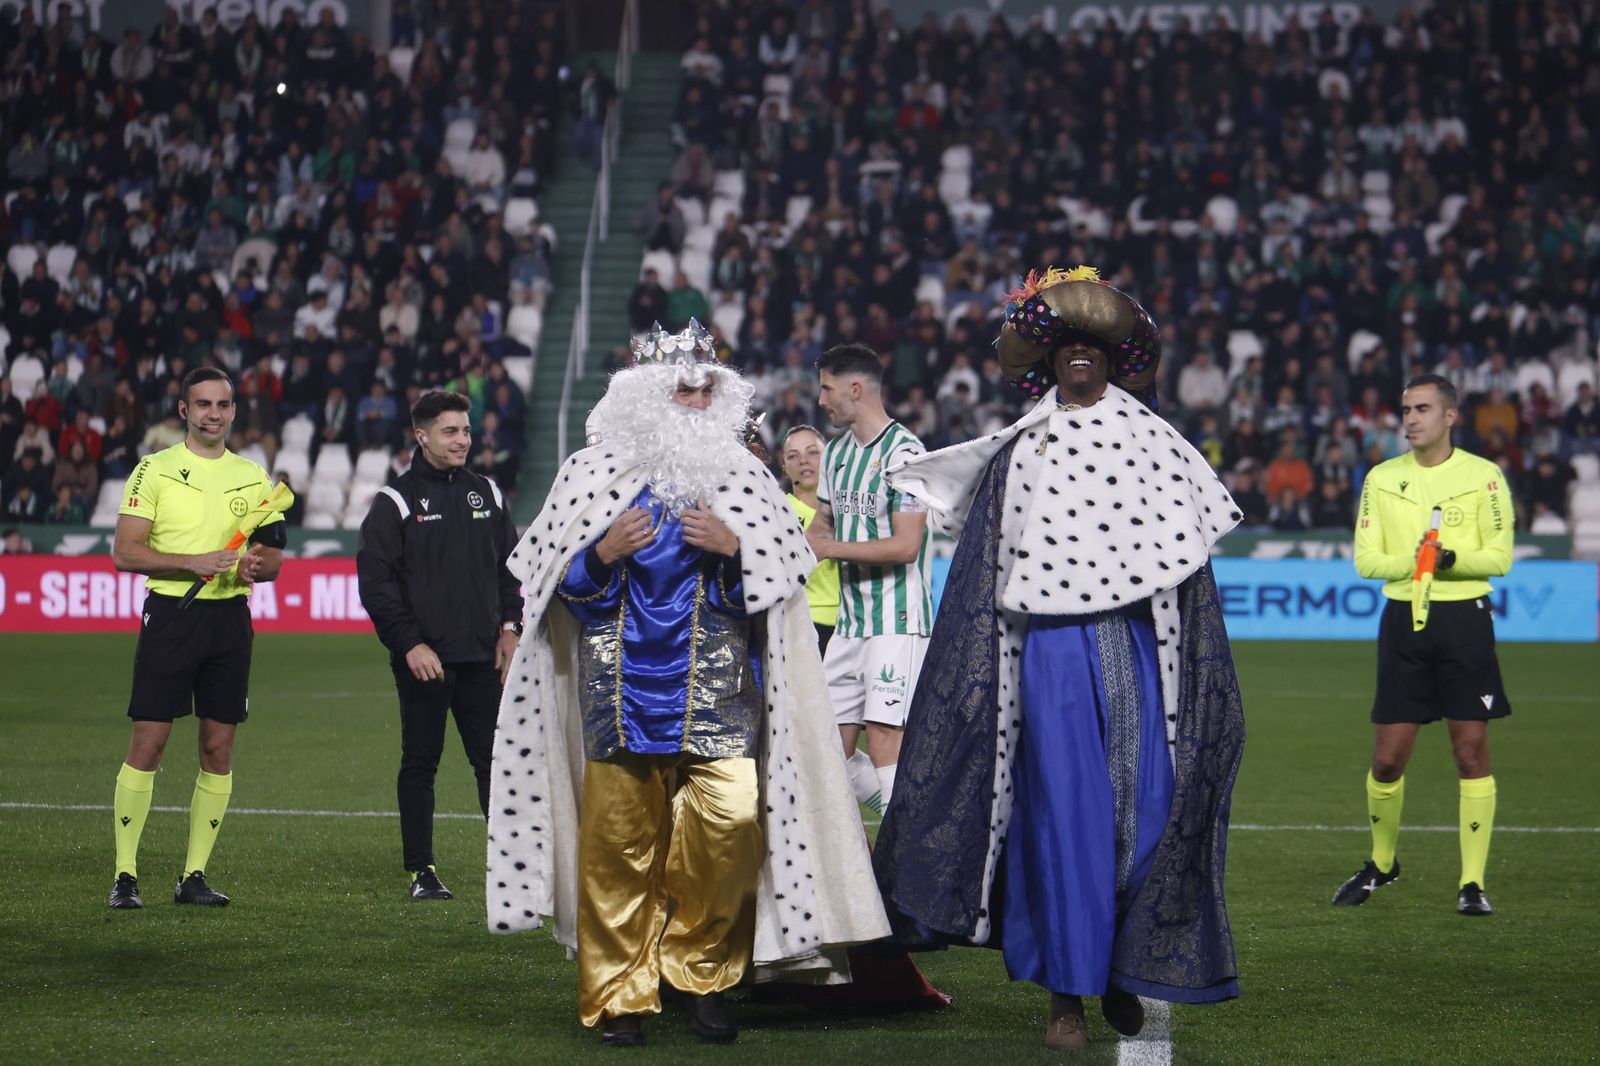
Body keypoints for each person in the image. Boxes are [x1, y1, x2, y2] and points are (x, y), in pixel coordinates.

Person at [874, 267, 1246, 1050]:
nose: (1081, 356)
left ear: (1113, 359)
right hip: (1045, 653)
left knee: (1147, 813)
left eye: (1094, 346)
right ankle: (1066, 996)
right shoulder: (1020, 451)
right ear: (1046, 364)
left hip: (1139, 648)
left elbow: (1189, 564)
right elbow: (983, 574)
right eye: (1067, 346)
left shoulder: (1154, 442)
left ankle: (1119, 964)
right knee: (1063, 821)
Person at [485, 322, 887, 1047]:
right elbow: (555, 592)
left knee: (729, 833)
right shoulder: (590, 472)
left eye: (708, 388)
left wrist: (736, 552)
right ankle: (619, 997)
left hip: (722, 694)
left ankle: (704, 978)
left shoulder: (743, 475)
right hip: (618, 694)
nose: (698, 399)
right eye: (683, 387)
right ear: (646, 395)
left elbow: (782, 585)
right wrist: (601, 555)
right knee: (616, 850)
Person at [1333, 374, 1513, 917]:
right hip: (1403, 621)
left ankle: (1473, 882)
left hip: (1465, 622)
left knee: (1470, 753)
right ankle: (1383, 864)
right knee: (1387, 761)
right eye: (1406, 409)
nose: (1410, 418)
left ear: (1451, 416)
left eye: (1423, 409)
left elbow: (1499, 557)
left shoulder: (1484, 477)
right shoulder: (1382, 478)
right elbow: (1367, 560)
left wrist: (1450, 559)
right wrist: (1418, 561)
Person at [107, 367, 287, 910]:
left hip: (229, 620)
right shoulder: (154, 470)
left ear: (234, 410)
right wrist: (193, 562)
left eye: (223, 405)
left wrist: (256, 565)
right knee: (149, 744)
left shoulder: (255, 478)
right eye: (203, 404)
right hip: (170, 616)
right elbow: (124, 552)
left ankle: (193, 876)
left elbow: (274, 559)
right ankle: (125, 875)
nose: (214, 413)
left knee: (218, 748)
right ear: (184, 410)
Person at [356, 390, 523, 900]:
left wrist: (511, 629)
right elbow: (377, 584)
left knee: (496, 762)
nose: (462, 440)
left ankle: (511, 864)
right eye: (450, 431)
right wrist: (410, 645)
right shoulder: (395, 502)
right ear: (421, 435)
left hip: (481, 658)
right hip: (424, 661)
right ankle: (421, 870)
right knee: (421, 762)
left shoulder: (489, 494)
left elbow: (509, 571)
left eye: (466, 431)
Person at [804, 344, 933, 818]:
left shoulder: (907, 454)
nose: (822, 400)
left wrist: (830, 549)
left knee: (883, 738)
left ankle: (902, 864)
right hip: (850, 622)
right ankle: (898, 830)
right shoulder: (835, 454)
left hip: (895, 621)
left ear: (855, 390)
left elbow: (906, 546)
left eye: (827, 389)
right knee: (830, 750)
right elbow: (821, 525)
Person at [778, 425, 839, 653]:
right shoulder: (778, 511)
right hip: (803, 624)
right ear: (784, 467)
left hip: (854, 624)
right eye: (793, 456)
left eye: (813, 452)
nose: (804, 460)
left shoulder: (849, 509)